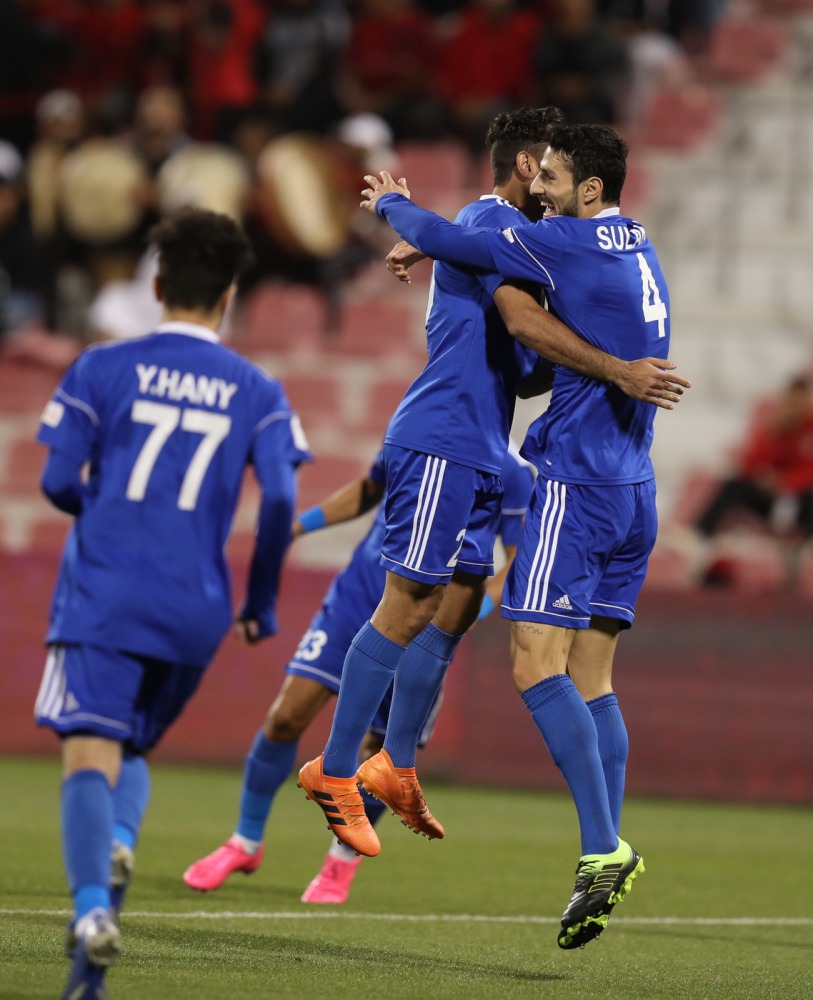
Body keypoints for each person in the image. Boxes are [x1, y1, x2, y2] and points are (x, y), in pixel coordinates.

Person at [297, 107, 688, 866]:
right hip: (442, 436)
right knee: (405, 603)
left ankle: (397, 761)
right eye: (543, 171)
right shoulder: (491, 220)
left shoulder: (528, 244)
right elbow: (482, 269)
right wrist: (396, 208)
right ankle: (336, 769)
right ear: (525, 169)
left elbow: (530, 362)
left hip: (483, 447)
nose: (546, 188)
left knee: (453, 601)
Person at [34, 207, 311, 999]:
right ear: (229, 295)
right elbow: (281, 499)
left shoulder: (101, 366)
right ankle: (98, 933)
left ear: (156, 287)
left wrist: (102, 510)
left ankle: (93, 907)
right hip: (197, 605)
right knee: (133, 751)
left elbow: (56, 480)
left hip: (106, 591)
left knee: (89, 749)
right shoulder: (259, 390)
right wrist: (261, 600)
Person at [183, 441, 535, 904]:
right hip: (355, 597)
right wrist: (298, 527)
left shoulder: (512, 470)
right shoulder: (416, 425)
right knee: (286, 717)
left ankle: (340, 860)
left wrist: (464, 618)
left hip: (424, 618)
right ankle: (245, 842)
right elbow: (371, 489)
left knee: (379, 750)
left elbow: (516, 558)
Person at [690, 374, 813, 585]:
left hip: (801, 500)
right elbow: (749, 466)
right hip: (773, 499)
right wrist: (773, 434)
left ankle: (801, 549)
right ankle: (698, 540)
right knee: (733, 486)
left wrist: (787, 482)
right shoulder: (776, 427)